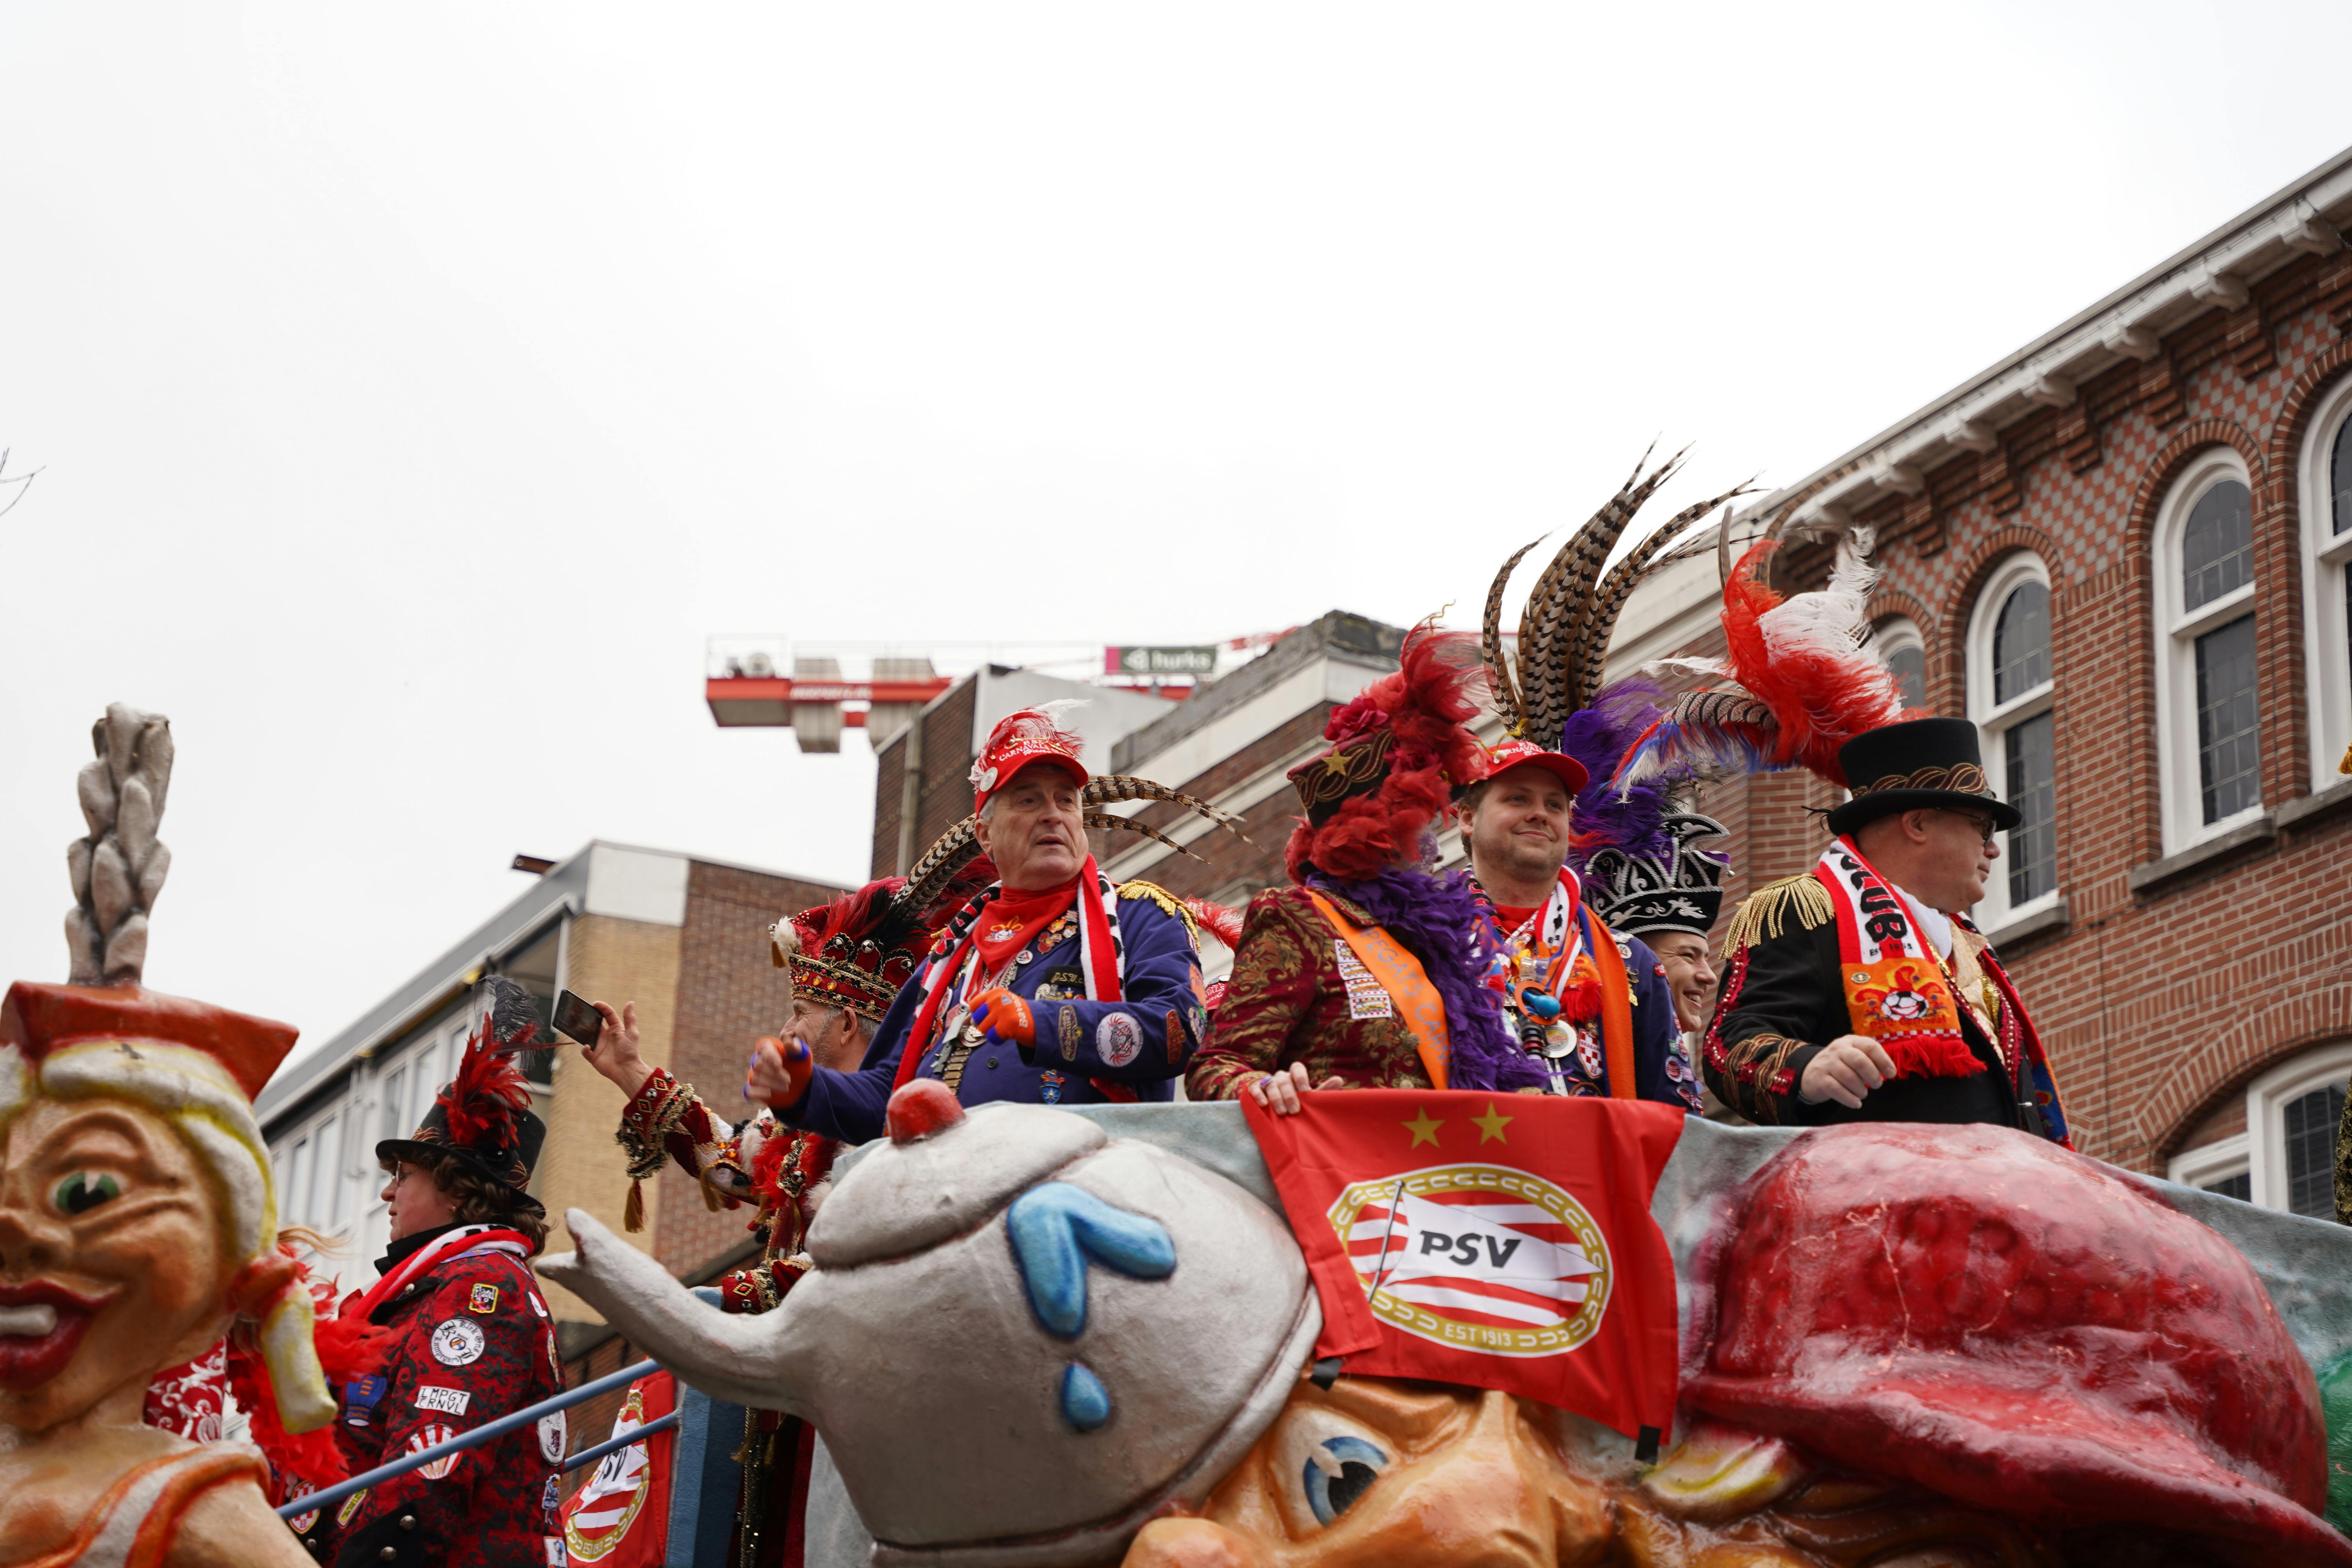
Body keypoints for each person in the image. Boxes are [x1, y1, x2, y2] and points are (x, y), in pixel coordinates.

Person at [581, 877, 968, 1568]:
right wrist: (631, 1070)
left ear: (847, 1026)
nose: (787, 1030)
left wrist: (740, 1297)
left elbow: (870, 1263)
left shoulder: (901, 1126)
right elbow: (730, 1169)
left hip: (854, 1390)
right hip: (784, 1378)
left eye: (801, 1011)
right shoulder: (792, 1127)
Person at [759, 705, 1234, 1141]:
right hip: (947, 1188)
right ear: (985, 833)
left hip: (1087, 1175)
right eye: (1028, 801)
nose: (1053, 814)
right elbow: (887, 1093)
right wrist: (803, 1089)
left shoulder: (1140, 915)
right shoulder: (946, 963)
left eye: (1066, 801)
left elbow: (1177, 1029)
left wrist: (1039, 1023)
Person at [1188, 622, 1542, 1113]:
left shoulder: (1437, 940)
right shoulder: (1299, 918)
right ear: (1375, 830)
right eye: (1421, 826)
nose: (1435, 851)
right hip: (1350, 1179)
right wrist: (1270, 1091)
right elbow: (1216, 1067)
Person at [1702, 717, 2070, 1139]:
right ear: (1916, 824)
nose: (1994, 848)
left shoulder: (1964, 940)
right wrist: (1806, 1068)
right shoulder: (1806, 909)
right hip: (1881, 1193)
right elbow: (1727, 1050)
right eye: (1982, 825)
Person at [303, 1013, 566, 1568]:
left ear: (454, 1188)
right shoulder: (437, 1285)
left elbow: (428, 1476)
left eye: (403, 1175)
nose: (386, 1192)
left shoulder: (482, 1288)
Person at [1453, 739, 1690, 1105]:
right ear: (1468, 818)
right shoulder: (1426, 940)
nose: (1540, 814)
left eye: (1554, 805)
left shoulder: (1632, 960)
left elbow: (1675, 1112)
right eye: (1517, 799)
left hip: (1595, 1159)